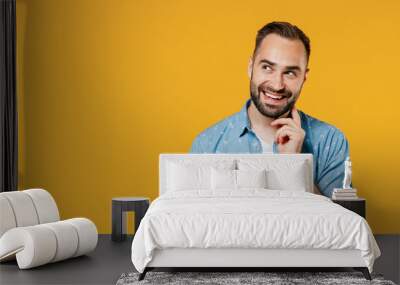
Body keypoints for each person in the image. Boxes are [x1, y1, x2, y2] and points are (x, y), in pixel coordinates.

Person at [190, 21, 349, 198]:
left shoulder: (330, 141)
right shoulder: (207, 145)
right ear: (251, 68)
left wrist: (294, 165)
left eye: (290, 73)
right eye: (267, 68)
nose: (277, 85)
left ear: (304, 77)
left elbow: (340, 222)